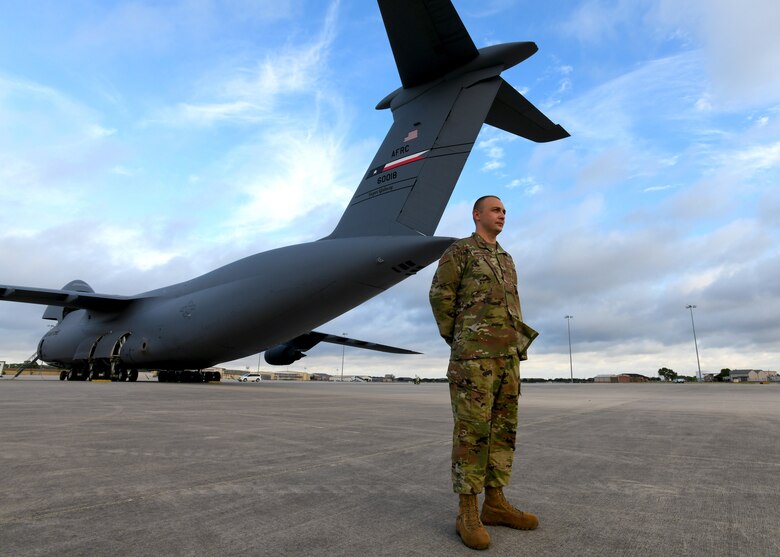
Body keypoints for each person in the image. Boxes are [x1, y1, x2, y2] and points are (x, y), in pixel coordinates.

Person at [429, 195, 539, 550]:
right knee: (472, 434)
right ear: (477, 215)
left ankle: (495, 503)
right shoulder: (459, 252)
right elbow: (440, 296)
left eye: (505, 211)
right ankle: (467, 512)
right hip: (473, 360)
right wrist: (462, 341)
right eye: (496, 210)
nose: (502, 214)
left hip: (507, 358)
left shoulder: (506, 259)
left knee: (503, 432)